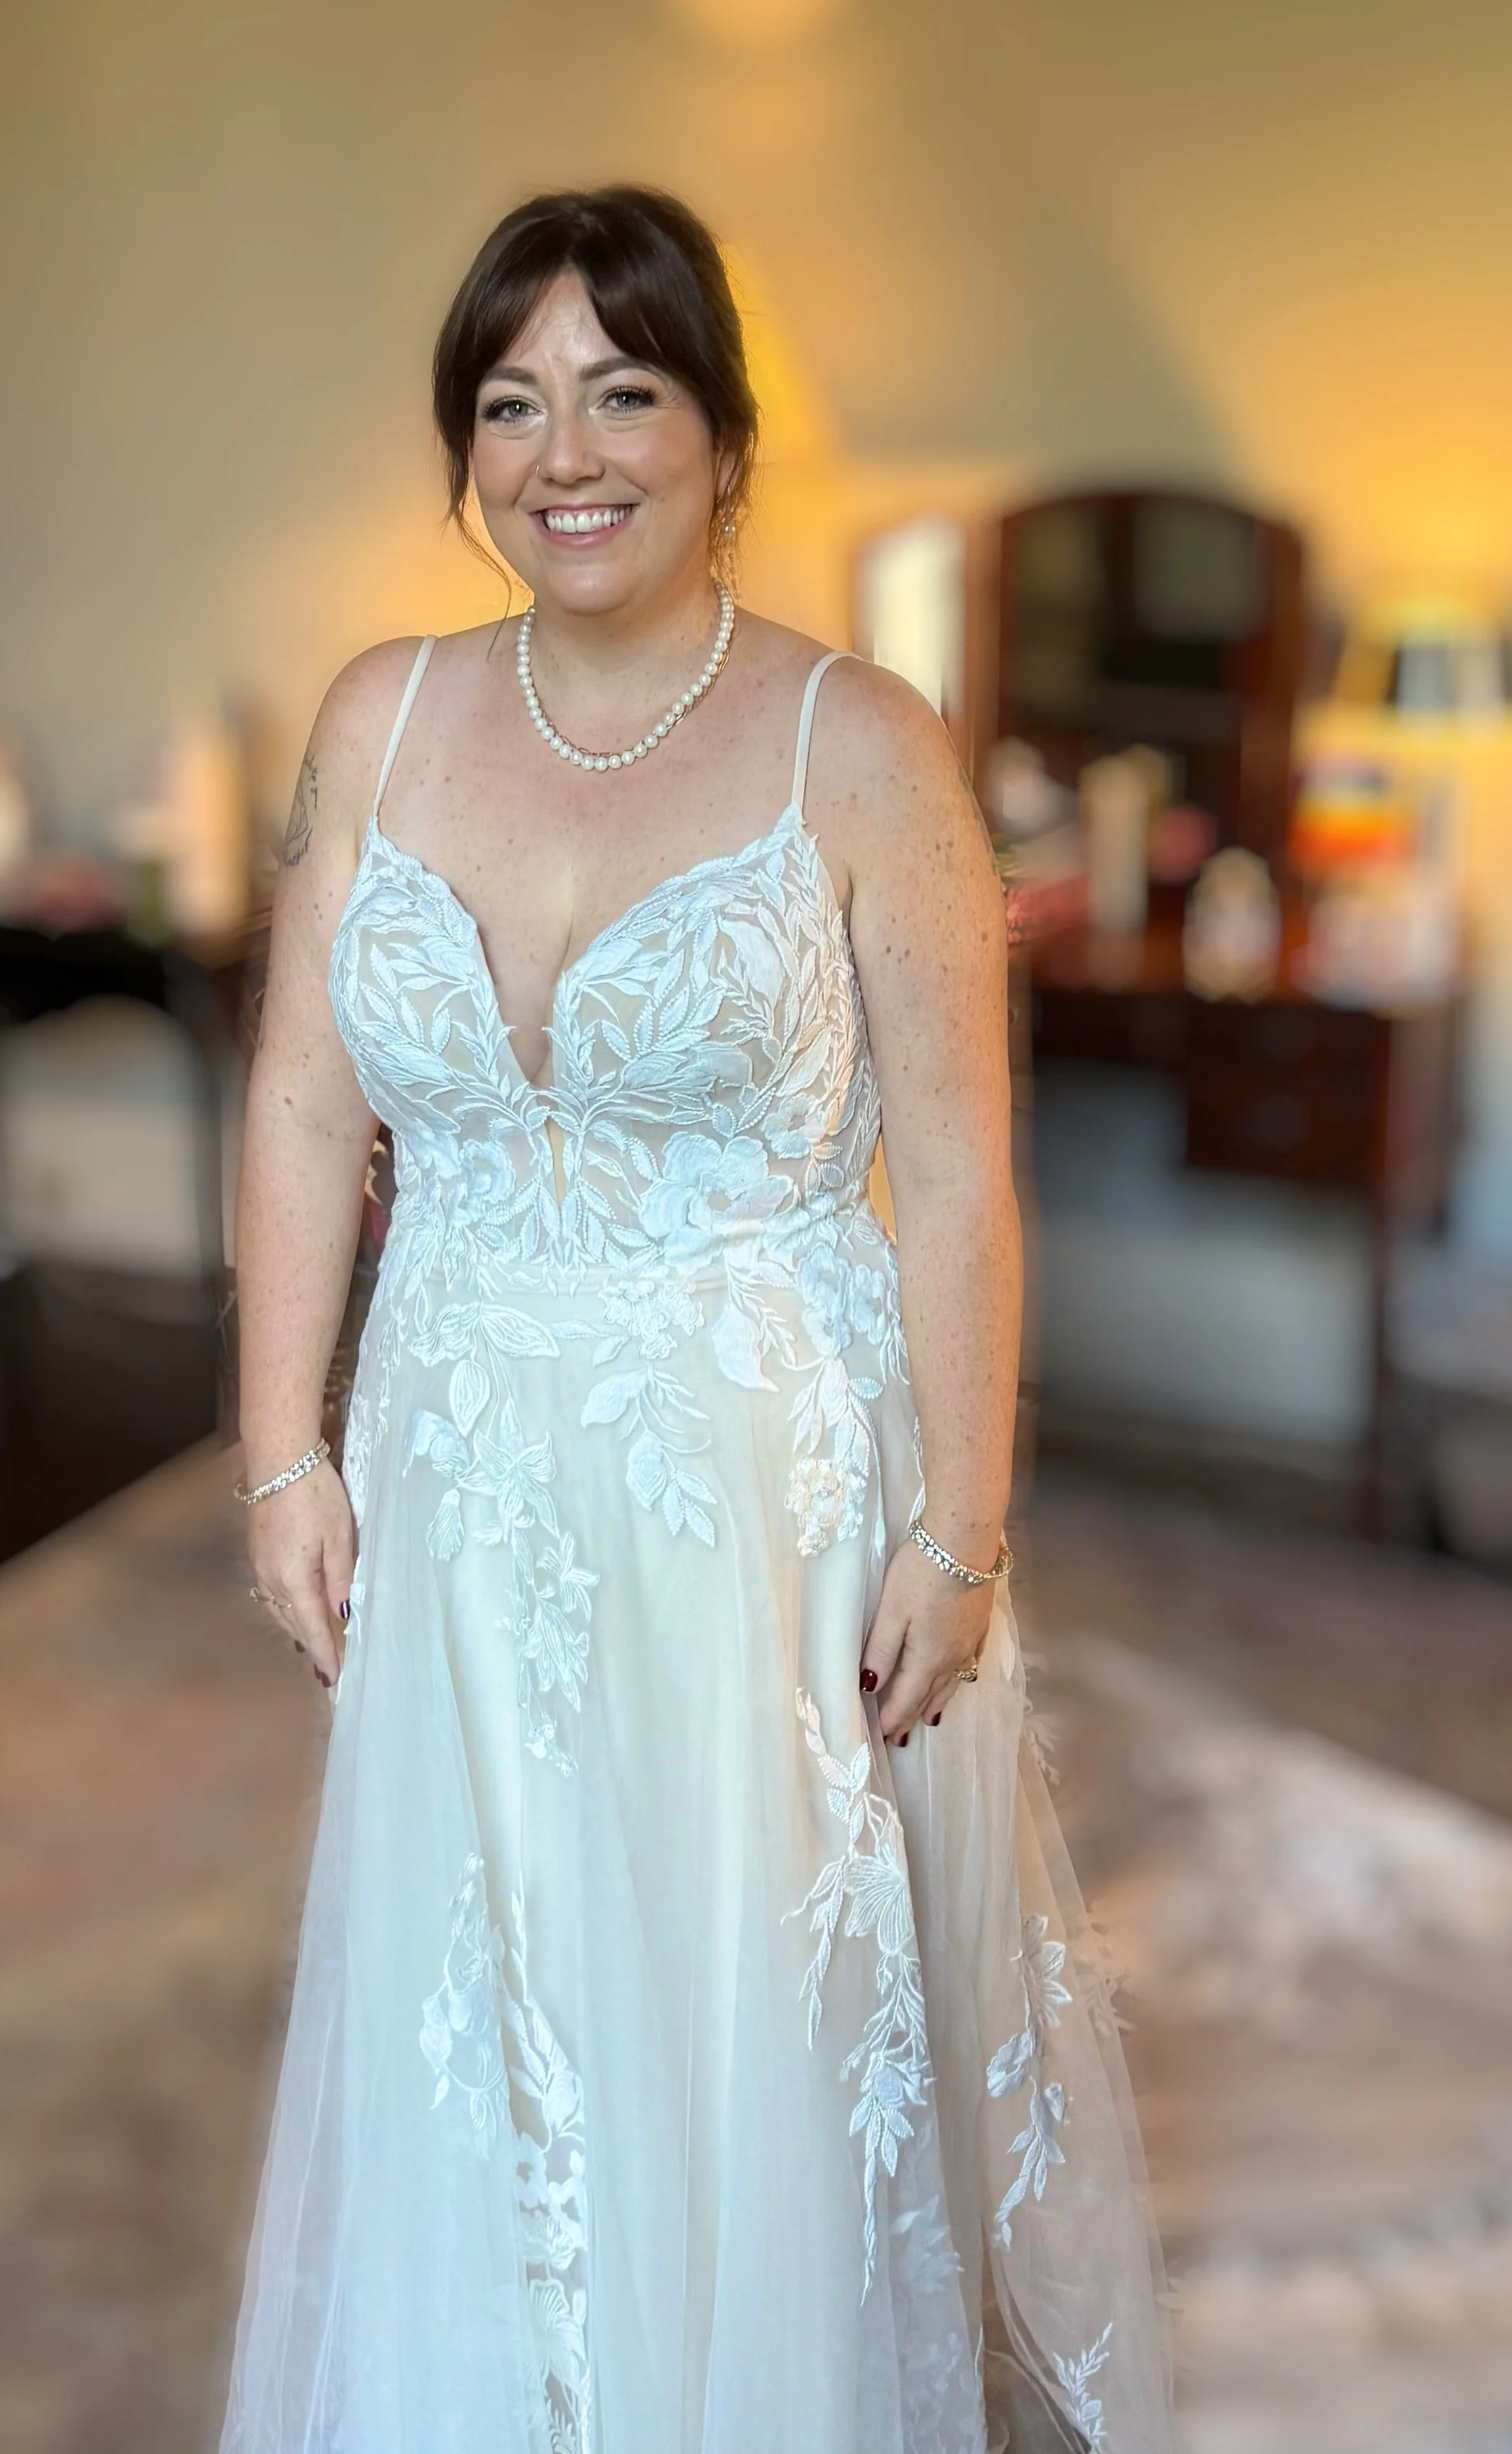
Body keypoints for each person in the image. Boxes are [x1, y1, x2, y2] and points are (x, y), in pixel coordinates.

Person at [221, 184, 1171, 2454]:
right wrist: (284, 1445)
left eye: (622, 391)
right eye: (510, 400)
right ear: (464, 448)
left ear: (721, 437)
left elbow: (950, 1166)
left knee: (743, 2001)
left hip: (757, 1486)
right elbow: (291, 1103)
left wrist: (964, 1525)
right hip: (461, 1458)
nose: (566, 449)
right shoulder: (384, 714)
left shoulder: (861, 743)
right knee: (488, 1979)